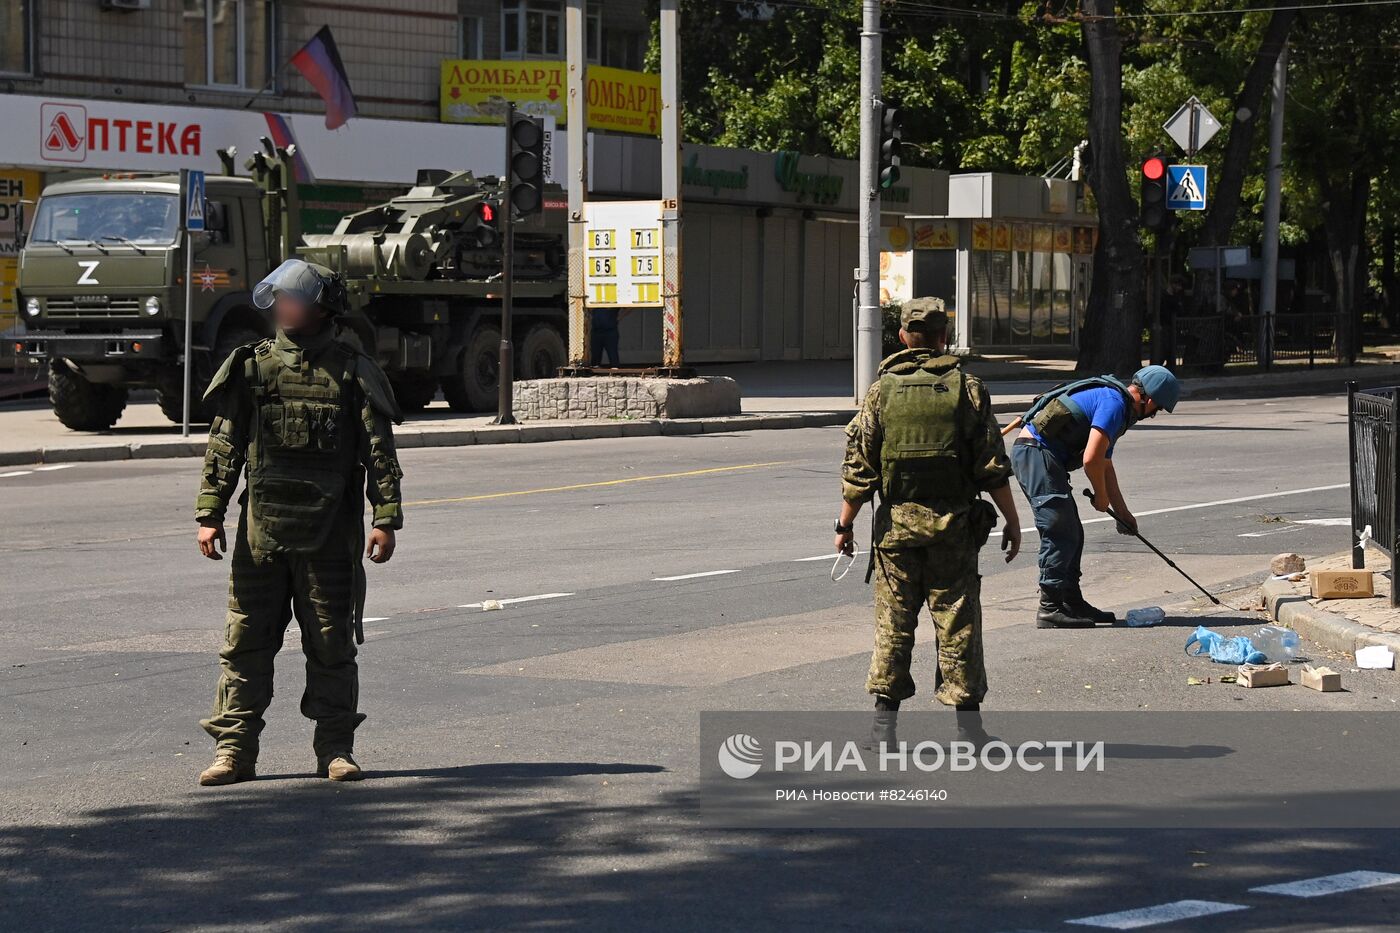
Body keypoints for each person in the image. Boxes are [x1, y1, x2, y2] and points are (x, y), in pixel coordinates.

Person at [194, 258, 405, 786]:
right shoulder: (253, 366)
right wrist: (209, 514)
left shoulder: (353, 371)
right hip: (261, 535)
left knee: (332, 646)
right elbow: (224, 446)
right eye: (280, 298)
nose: (284, 307)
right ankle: (234, 752)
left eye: (296, 299)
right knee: (245, 645)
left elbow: (378, 450)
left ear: (322, 308)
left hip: (330, 537)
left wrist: (386, 518)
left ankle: (335, 748)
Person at [835, 297, 1022, 730]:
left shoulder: (881, 392)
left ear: (902, 336)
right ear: (944, 338)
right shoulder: (968, 388)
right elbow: (991, 466)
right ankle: (969, 730)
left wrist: (844, 525)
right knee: (958, 623)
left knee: (894, 625)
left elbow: (859, 467)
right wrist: (1012, 520)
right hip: (954, 531)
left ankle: (884, 728)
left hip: (896, 534)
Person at [1009, 365, 1180, 628]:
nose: (1153, 415)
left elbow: (1105, 464)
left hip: (1044, 457)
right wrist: (1101, 498)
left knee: (1073, 531)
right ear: (1150, 399)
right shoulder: (1114, 404)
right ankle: (1050, 608)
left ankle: (1071, 602)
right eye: (1156, 410)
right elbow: (1091, 460)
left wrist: (1122, 512)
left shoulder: (1118, 407)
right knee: (1059, 527)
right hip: (1035, 453)